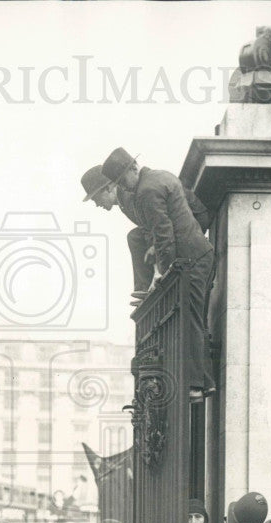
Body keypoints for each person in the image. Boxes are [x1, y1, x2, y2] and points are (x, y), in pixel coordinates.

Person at [101, 147, 217, 399]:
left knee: (190, 318)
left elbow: (164, 236)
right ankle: (203, 382)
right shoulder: (159, 177)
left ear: (133, 169)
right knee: (193, 317)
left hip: (192, 259)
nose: (125, 188)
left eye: (123, 181)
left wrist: (162, 276)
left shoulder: (146, 191)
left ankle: (196, 384)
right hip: (197, 255)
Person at [82, 163, 211, 302]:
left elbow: (158, 229)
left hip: (194, 222)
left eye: (96, 198)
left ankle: (147, 286)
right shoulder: (123, 201)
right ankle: (143, 288)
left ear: (107, 189)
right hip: (174, 226)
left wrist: (159, 270)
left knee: (134, 237)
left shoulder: (129, 195)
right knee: (136, 236)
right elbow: (149, 229)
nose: (97, 204)